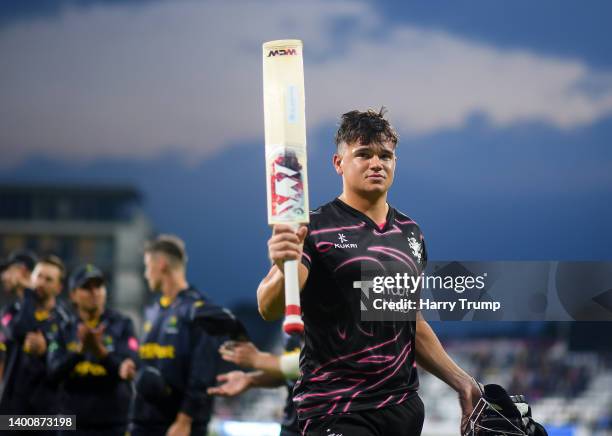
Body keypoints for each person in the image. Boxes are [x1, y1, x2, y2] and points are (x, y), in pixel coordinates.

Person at [257, 108, 481, 435]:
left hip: (401, 410)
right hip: (336, 409)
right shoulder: (313, 227)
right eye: (363, 154)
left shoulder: (409, 233)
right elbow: (268, 305)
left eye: (385, 156)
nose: (377, 163)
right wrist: (282, 266)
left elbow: (410, 324)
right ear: (339, 163)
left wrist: (462, 382)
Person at [124, 235, 220, 436]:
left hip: (179, 426)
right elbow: (151, 361)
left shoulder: (201, 310)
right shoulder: (153, 310)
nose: (146, 273)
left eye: (147, 265)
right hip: (144, 422)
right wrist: (134, 367)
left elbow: (203, 373)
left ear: (161, 264)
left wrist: (184, 421)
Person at [47, 264, 138, 435]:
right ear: (73, 295)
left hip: (113, 423)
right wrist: (79, 352)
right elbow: (52, 374)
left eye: (99, 286)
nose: (94, 292)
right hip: (71, 424)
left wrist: (99, 352)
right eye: (86, 288)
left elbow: (128, 369)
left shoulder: (122, 324)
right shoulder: (63, 328)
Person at [0, 254, 72, 429]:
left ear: (59, 287)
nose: (41, 283)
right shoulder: (11, 310)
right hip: (12, 410)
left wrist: (47, 348)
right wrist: (29, 295)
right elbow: (19, 331)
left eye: (48, 279)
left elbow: (68, 359)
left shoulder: (65, 321)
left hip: (51, 410)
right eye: (38, 276)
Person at [208, 333, 302, 436]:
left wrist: (257, 358)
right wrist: (251, 379)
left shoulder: (317, 321)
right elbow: (294, 374)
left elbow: (315, 365)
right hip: (292, 426)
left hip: (317, 426)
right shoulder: (291, 324)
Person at [0, 250, 37, 383]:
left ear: (23, 271)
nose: (3, 277)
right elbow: (17, 332)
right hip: (13, 396)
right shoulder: (9, 310)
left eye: (8, 271)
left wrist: (28, 291)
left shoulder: (54, 311)